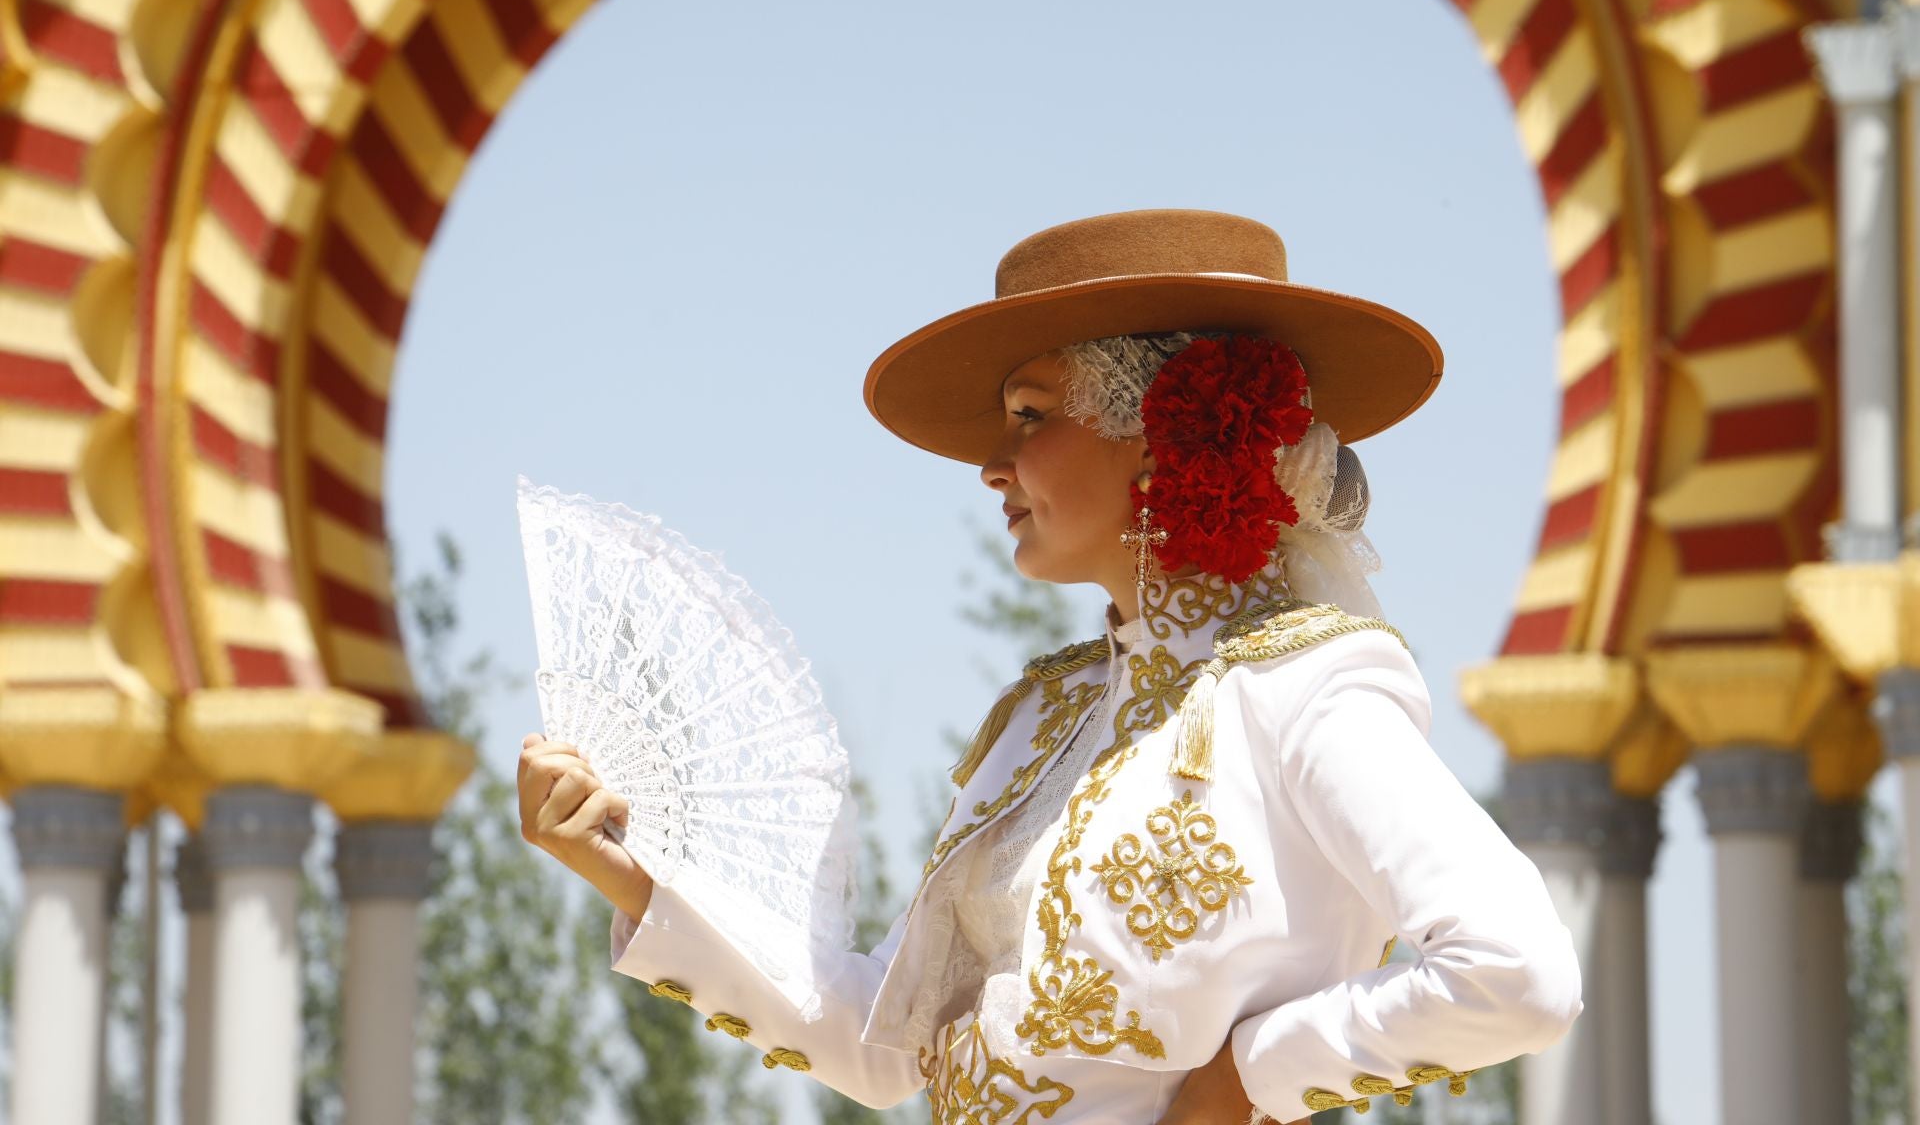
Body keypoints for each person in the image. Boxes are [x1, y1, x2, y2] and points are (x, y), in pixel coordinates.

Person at [518, 209, 1583, 1124]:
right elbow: (889, 1047)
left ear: (1161, 438)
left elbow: (1518, 974)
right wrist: (631, 869)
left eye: (1030, 416)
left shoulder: (1303, 689)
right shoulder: (1040, 720)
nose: (992, 463)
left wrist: (1252, 1076)